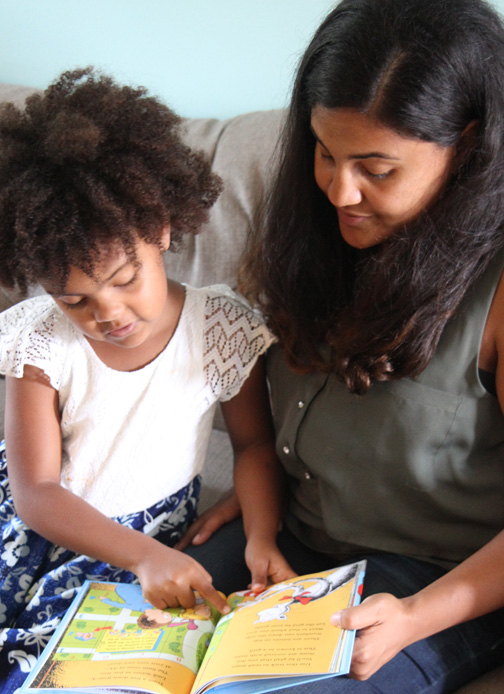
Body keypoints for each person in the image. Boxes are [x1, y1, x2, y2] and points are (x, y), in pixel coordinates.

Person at [182, 0, 504, 690]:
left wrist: (416, 617)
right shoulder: (314, 229)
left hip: (441, 580)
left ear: (468, 147)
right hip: (297, 534)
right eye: (325, 154)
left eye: (377, 170)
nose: (340, 191)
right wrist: (263, 478)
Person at [0, 68, 295, 689]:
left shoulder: (221, 326)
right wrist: (143, 557)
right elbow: (36, 493)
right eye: (74, 300)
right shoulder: (38, 339)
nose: (107, 314)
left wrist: (260, 537)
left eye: (125, 279)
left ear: (161, 229)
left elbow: (254, 446)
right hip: (46, 526)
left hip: (153, 535)